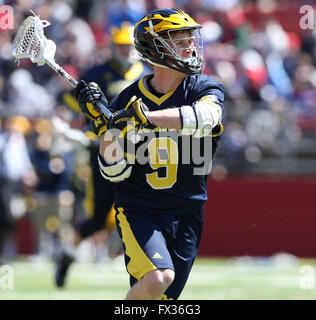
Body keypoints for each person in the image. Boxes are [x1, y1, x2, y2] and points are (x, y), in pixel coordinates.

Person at [75, 8, 225, 300]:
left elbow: (206, 117)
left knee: (162, 298)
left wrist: (147, 118)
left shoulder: (205, 87)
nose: (191, 46)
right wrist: (104, 128)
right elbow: (113, 171)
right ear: (156, 47)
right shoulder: (128, 98)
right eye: (180, 41)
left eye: (190, 39)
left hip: (188, 211)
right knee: (159, 278)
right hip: (139, 208)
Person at [54, 22, 151, 287]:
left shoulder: (149, 74)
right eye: (120, 45)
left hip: (141, 154)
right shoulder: (97, 73)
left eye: (128, 45)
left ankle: (153, 266)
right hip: (106, 154)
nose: (124, 50)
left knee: (145, 208)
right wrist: (78, 131)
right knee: (99, 219)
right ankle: (67, 253)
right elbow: (71, 102)